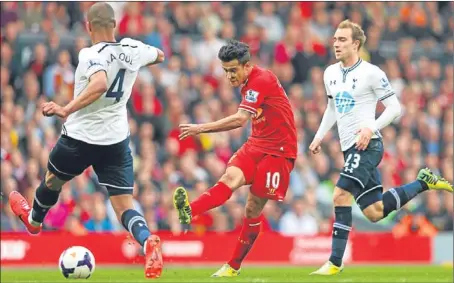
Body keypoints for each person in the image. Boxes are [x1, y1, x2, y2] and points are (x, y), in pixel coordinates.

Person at [8, 2, 165, 279]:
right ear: (114, 25)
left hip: (80, 138)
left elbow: (100, 83)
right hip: (115, 142)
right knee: (124, 207)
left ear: (88, 26)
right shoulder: (133, 49)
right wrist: (136, 58)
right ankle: (146, 239)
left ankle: (33, 222)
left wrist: (66, 109)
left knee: (51, 181)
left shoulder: (90, 53)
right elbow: (160, 55)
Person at [309, 19, 453, 275]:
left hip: (367, 144)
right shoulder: (329, 73)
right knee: (375, 212)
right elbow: (333, 108)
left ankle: (334, 262)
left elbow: (395, 108)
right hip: (348, 148)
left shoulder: (372, 73)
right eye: (334, 39)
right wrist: (319, 136)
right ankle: (423, 182)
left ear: (356, 44)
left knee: (340, 194)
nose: (336, 44)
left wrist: (369, 128)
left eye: (342, 40)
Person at [173, 40, 297, 277]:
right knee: (229, 177)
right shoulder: (248, 83)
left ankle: (233, 266)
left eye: (233, 70)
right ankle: (190, 210)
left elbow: (240, 120)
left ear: (247, 66)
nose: (229, 76)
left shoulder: (261, 80)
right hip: (257, 143)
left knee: (252, 208)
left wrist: (201, 128)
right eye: (225, 70)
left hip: (279, 150)